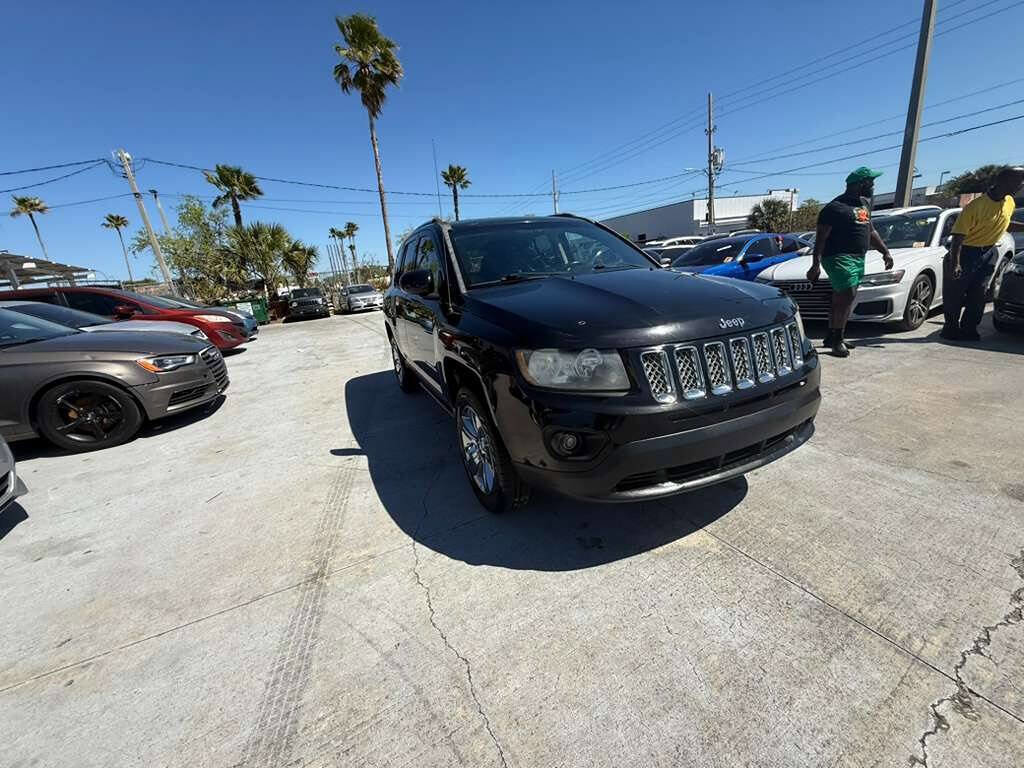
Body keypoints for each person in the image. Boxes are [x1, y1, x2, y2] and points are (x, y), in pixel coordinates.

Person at [807, 167, 893, 357]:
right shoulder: (834, 208)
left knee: (841, 299)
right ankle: (837, 340)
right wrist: (816, 264)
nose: (873, 186)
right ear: (861, 183)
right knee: (847, 295)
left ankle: (833, 335)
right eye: (870, 182)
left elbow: (871, 231)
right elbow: (821, 238)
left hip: (857, 258)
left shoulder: (863, 205)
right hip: (838, 257)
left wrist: (885, 252)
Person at [942, 166, 1024, 341]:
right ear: (1002, 181)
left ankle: (969, 329)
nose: (1020, 185)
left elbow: (1005, 223)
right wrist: (955, 262)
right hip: (965, 253)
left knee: (979, 294)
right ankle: (950, 328)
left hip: (989, 253)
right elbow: (958, 236)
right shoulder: (976, 206)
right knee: (955, 295)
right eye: (1017, 181)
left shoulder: (1009, 202)